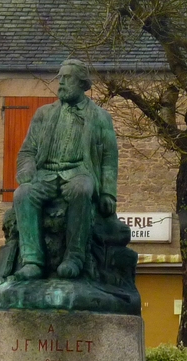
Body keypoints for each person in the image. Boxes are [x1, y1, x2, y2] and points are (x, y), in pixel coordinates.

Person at [12, 58, 118, 281]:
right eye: (59, 78)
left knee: (81, 190)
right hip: (46, 174)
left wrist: (108, 193)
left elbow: (109, 157)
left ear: (82, 83)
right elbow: (27, 151)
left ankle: (75, 257)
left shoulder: (100, 117)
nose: (60, 83)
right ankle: (32, 261)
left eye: (67, 78)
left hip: (79, 172)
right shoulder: (44, 114)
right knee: (23, 194)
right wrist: (26, 172)